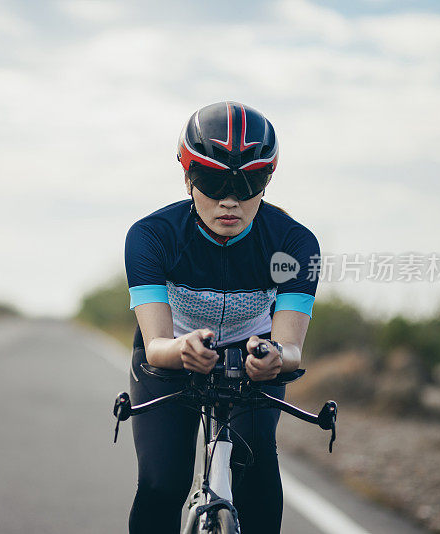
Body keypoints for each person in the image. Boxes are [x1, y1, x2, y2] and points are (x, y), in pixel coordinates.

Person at [124, 101, 320, 533]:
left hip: (253, 360)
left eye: (248, 183)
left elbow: (290, 350)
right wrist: (182, 348)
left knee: (260, 486)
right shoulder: (151, 236)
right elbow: (156, 346)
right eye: (212, 181)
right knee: (161, 484)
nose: (229, 199)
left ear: (267, 179)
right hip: (171, 353)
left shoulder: (294, 243)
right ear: (187, 175)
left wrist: (274, 357)